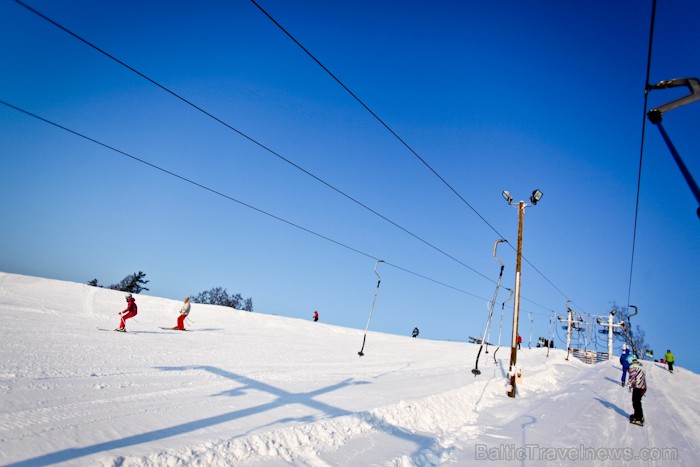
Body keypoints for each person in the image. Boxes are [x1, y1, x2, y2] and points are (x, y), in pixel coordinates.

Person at [627, 357, 647, 426]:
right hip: (643, 387)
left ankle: (639, 418)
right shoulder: (640, 366)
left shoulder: (633, 366)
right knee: (637, 401)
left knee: (636, 402)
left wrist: (629, 384)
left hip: (638, 386)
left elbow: (632, 376)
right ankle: (638, 415)